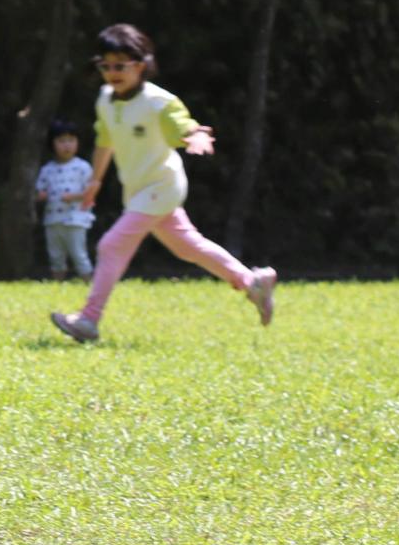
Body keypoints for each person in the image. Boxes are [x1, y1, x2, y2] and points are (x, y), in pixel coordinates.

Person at [51, 24, 278, 343]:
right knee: (187, 246)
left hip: (162, 186)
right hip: (139, 189)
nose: (112, 72)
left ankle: (88, 320)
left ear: (141, 65)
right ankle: (251, 282)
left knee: (111, 245)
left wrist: (196, 135)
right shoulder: (105, 100)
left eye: (121, 65)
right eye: (106, 65)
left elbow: (183, 124)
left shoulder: (159, 102)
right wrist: (95, 182)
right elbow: (105, 140)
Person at [34, 118, 95, 279]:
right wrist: (40, 196)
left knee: (78, 254)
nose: (67, 145)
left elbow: (91, 191)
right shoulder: (47, 169)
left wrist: (74, 197)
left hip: (76, 219)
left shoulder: (83, 167)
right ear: (52, 144)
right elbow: (39, 191)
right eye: (62, 141)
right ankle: (57, 285)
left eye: (71, 140)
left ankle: (90, 285)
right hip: (53, 219)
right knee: (55, 255)